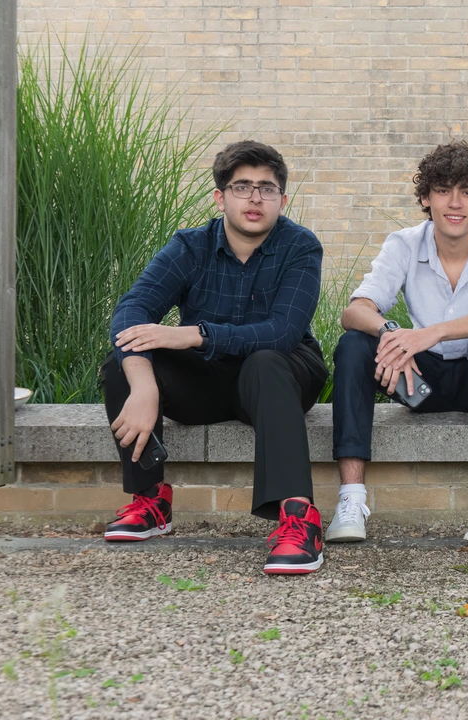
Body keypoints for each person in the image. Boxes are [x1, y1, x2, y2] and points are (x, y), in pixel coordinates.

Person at [101, 140, 329, 575]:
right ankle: (151, 500)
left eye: (267, 188)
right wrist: (144, 384)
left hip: (280, 377)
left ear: (283, 197)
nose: (256, 198)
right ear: (220, 197)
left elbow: (281, 333)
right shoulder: (190, 247)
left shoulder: (300, 246)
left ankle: (299, 518)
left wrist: (195, 335)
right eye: (243, 186)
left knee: (264, 360)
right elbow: (131, 312)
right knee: (122, 367)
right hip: (206, 383)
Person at [330, 141, 468, 546]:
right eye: (443, 190)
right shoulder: (404, 243)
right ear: (426, 198)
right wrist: (391, 335)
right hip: (419, 383)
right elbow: (355, 310)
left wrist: (431, 332)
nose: (455, 203)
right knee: (354, 344)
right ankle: (351, 502)